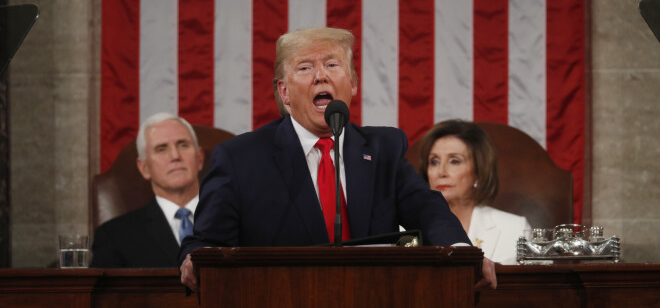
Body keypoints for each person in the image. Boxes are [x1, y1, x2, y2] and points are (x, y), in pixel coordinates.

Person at [179, 27, 496, 290]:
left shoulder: (383, 147)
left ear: (353, 84)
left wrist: (461, 252)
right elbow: (206, 243)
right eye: (305, 68)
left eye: (332, 65)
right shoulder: (240, 158)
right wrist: (197, 258)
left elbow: (426, 208)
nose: (320, 76)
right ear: (284, 93)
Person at [90, 112, 204, 268]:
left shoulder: (238, 220)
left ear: (199, 158)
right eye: (161, 149)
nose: (175, 156)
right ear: (144, 168)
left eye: (183, 145)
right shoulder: (115, 236)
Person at [417, 119, 531, 264]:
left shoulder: (514, 229)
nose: (441, 172)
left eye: (455, 161)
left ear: (478, 173)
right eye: (434, 161)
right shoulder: (403, 231)